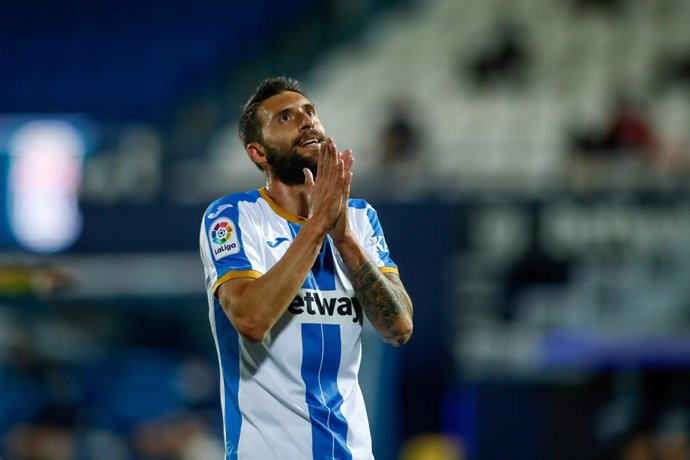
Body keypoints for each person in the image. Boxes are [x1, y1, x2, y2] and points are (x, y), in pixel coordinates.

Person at [199, 76, 414, 460]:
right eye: (285, 117)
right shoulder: (233, 217)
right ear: (257, 153)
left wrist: (344, 239)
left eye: (310, 112)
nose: (306, 121)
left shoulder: (361, 220)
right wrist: (317, 226)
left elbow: (399, 328)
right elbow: (251, 319)